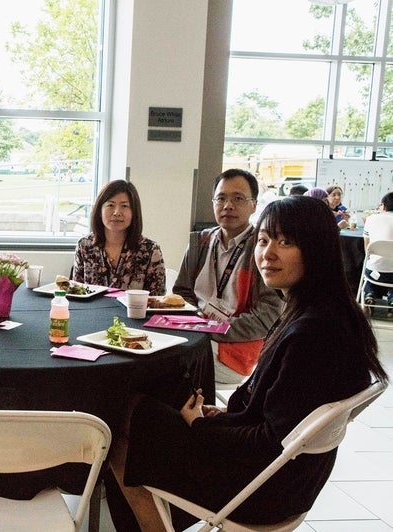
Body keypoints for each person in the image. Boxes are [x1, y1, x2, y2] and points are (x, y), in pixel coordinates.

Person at [106, 195, 388, 531]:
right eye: (265, 240)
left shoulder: (314, 334)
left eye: (285, 242)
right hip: (288, 479)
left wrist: (200, 426)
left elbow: (269, 441)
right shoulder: (330, 313)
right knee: (149, 404)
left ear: (317, 249)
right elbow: (279, 414)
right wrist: (224, 416)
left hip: (264, 488)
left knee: (126, 424)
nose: (267, 254)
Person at [173, 169, 283, 384]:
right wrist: (196, 322)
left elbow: (266, 317)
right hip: (197, 335)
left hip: (237, 349)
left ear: (253, 205)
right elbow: (181, 293)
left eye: (238, 198)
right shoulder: (200, 242)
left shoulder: (262, 249)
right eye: (221, 198)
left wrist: (208, 330)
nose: (228, 205)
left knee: (166, 364)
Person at [73, 180, 165, 293]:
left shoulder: (149, 250)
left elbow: (158, 299)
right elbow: (76, 293)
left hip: (134, 311)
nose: (117, 212)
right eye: (110, 205)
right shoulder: (85, 246)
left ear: (134, 212)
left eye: (124, 206)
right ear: (99, 210)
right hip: (92, 310)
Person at [362, 191, 393, 308]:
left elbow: (367, 249)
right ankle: (392, 298)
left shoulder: (371, 219)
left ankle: (369, 294)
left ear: (384, 205)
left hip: (375, 272)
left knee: (370, 270)